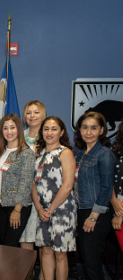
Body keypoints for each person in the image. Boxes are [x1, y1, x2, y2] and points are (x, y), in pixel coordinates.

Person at [32, 116, 76, 280]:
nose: (49, 133)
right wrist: (39, 208)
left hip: (62, 211)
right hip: (42, 211)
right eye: (46, 129)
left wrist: (50, 210)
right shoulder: (40, 154)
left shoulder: (65, 153)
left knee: (59, 254)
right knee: (45, 250)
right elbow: (33, 184)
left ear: (62, 132)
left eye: (54, 129)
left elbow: (67, 186)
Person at [74, 111, 115, 280]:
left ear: (102, 131)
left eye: (93, 128)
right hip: (83, 210)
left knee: (92, 264)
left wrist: (93, 217)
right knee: (86, 260)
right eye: (84, 127)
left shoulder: (104, 154)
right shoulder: (80, 155)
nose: (88, 132)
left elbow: (106, 188)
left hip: (96, 214)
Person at [0, 114, 35, 247]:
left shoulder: (26, 153)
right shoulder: (3, 151)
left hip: (16, 207)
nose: (9, 132)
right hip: (1, 206)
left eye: (12, 127)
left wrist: (17, 210)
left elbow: (26, 183)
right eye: (5, 128)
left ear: (19, 130)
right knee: (5, 246)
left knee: (10, 246)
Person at [21, 100, 47, 280]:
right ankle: (28, 276)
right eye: (29, 112)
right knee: (25, 238)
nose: (32, 116)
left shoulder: (48, 136)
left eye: (36, 112)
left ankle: (44, 276)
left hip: (45, 195)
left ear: (43, 114)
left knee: (45, 243)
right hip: (23, 195)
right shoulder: (19, 136)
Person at [111, 120, 123, 251]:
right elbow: (112, 182)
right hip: (119, 209)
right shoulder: (118, 151)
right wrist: (114, 201)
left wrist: (120, 215)